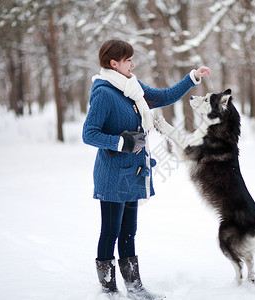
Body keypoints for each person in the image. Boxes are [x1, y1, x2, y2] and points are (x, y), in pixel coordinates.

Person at [82, 39, 210, 300]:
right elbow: (89, 134)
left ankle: (134, 287)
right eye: (128, 60)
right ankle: (108, 289)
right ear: (113, 63)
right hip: (112, 175)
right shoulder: (104, 92)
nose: (133, 63)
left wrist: (192, 78)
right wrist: (121, 141)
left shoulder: (132, 87)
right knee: (111, 231)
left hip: (134, 172)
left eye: (132, 59)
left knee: (129, 231)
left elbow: (162, 97)